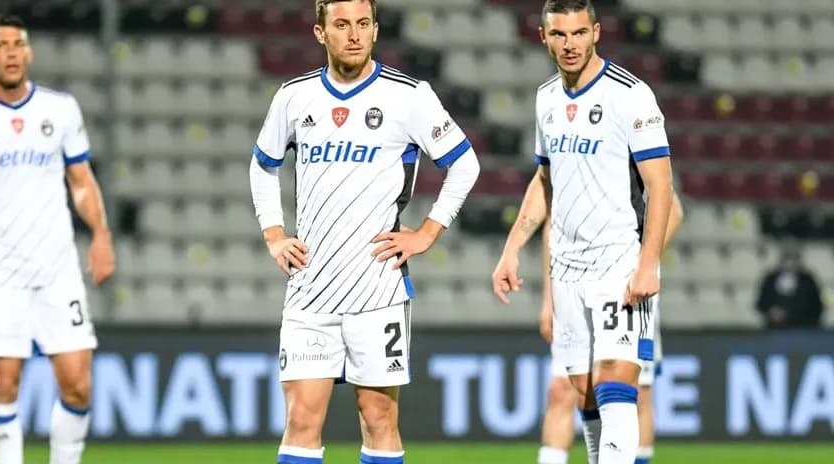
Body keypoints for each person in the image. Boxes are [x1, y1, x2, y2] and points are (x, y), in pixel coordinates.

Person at [249, 1, 480, 463]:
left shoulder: (409, 95)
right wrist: (274, 234)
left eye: (362, 24)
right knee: (301, 421)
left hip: (377, 288)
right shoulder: (294, 96)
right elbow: (262, 166)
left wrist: (428, 232)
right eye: (341, 25)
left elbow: (464, 163)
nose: (353, 35)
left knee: (378, 417)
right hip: (310, 289)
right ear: (320, 32)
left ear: (375, 30)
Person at [491, 1, 675, 463]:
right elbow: (544, 180)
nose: (569, 45)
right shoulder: (546, 99)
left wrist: (648, 263)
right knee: (585, 392)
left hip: (618, 261)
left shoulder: (631, 95)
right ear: (543, 38)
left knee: (616, 380)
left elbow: (661, 185)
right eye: (559, 35)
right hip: (567, 268)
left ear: (596, 32)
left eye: (578, 33)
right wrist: (512, 248)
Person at [0, 14, 114, 464]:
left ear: (28, 52)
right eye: (1, 44)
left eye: (17, 43)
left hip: (57, 270)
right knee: (3, 385)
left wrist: (101, 235)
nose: (10, 52)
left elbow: (81, 180)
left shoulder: (60, 109)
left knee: (78, 384)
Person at [537, 194, 683, 464]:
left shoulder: (628, 154)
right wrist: (549, 300)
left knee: (632, 391)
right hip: (573, 282)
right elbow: (553, 224)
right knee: (561, 389)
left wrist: (641, 265)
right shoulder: (566, 157)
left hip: (624, 285)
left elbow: (672, 209)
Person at [755, 245, 825, 329]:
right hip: (775, 329)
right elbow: (761, 303)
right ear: (781, 261)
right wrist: (771, 311)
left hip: (803, 329)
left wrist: (792, 313)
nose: (790, 263)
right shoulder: (770, 279)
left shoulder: (807, 280)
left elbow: (816, 306)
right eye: (787, 259)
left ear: (799, 261)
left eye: (794, 259)